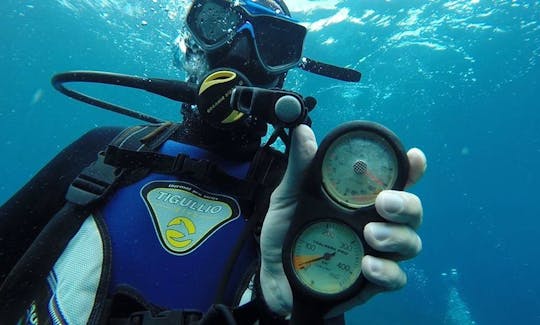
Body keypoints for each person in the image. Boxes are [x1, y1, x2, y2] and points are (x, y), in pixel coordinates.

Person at [0, 0, 426, 324]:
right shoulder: (104, 149)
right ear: (189, 50)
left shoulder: (301, 198)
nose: (238, 52)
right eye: (215, 25)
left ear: (284, 74)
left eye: (274, 43)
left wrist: (311, 304)